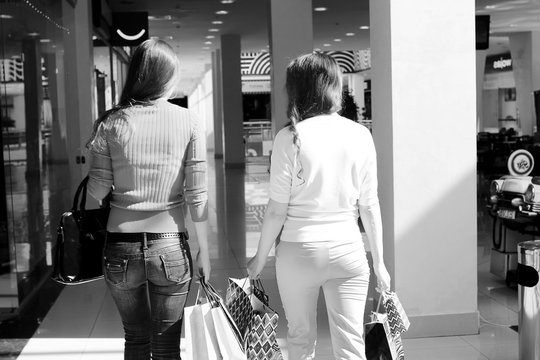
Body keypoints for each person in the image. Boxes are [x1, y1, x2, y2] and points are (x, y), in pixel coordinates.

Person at [247, 52, 391, 360]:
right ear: (334, 86)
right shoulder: (361, 135)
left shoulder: (290, 137)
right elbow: (369, 205)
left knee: (300, 340)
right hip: (348, 251)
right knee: (351, 343)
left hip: (298, 252)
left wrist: (259, 257)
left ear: (296, 88)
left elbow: (276, 210)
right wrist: (379, 262)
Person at [87, 39, 210, 360]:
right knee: (167, 346)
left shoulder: (111, 123)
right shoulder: (189, 121)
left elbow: (97, 191)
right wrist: (204, 254)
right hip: (170, 248)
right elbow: (197, 198)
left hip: (119, 250)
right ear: (167, 77)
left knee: (136, 338)